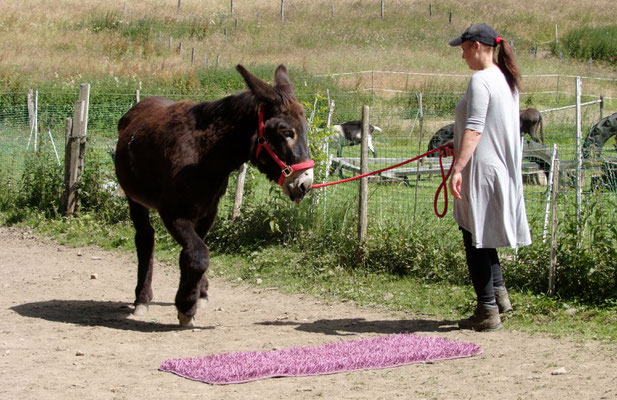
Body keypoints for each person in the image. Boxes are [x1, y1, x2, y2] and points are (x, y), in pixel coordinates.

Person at [442, 23, 532, 331]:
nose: (462, 55)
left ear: (478, 46)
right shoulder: (506, 80)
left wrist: (457, 167)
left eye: (464, 49)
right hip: (498, 167)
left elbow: (476, 126)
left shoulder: (481, 79)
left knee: (474, 239)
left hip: (479, 168)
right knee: (482, 233)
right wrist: (457, 145)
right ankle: (499, 296)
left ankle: (487, 309)